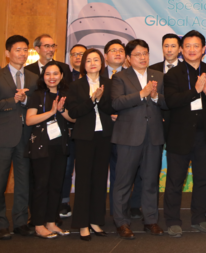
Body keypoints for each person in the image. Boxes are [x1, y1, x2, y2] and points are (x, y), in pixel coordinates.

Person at [163, 30, 206, 237]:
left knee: (202, 179)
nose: (191, 50)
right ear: (181, 49)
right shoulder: (172, 74)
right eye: (187, 46)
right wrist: (195, 90)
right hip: (179, 135)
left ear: (203, 49)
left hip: (203, 135)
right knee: (175, 180)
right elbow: (171, 101)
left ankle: (199, 218)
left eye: (196, 46)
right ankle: (172, 220)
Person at [0, 35, 38, 239]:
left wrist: (26, 100)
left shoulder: (33, 78)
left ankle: (21, 222)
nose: (22, 54)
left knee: (23, 183)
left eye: (25, 50)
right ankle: (1, 223)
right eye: (18, 50)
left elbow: (37, 104)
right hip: (2, 137)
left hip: (25, 137)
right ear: (7, 53)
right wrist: (12, 101)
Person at [110, 39, 168, 239]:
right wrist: (141, 94)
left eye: (145, 53)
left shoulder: (158, 76)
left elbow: (167, 102)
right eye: (137, 54)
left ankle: (150, 220)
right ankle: (121, 222)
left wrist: (154, 97)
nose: (142, 57)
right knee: (123, 182)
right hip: (128, 137)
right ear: (128, 58)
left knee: (151, 181)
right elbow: (116, 102)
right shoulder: (120, 77)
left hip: (153, 136)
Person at [67, 48, 114, 241]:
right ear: (83, 64)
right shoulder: (75, 86)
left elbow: (112, 107)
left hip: (104, 136)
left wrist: (100, 99)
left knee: (100, 180)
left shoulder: (110, 84)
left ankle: (96, 220)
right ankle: (82, 224)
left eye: (96, 60)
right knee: (84, 180)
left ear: (102, 63)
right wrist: (91, 99)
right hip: (84, 137)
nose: (93, 63)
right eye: (88, 60)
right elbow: (74, 111)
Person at [26, 61, 75, 238]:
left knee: (56, 185)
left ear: (61, 76)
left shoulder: (66, 94)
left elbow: (73, 119)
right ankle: (38, 224)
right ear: (43, 76)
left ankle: (51, 222)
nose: (52, 77)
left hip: (60, 145)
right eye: (48, 74)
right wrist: (51, 112)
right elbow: (29, 120)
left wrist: (61, 111)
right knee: (41, 186)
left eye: (55, 74)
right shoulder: (37, 95)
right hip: (41, 146)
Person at [103, 39, 142, 219]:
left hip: (127, 132)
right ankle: (100, 212)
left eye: (121, 50)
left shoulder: (132, 76)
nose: (117, 53)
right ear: (105, 56)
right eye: (113, 50)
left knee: (124, 174)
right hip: (102, 130)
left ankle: (122, 211)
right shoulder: (96, 74)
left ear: (126, 57)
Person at [60, 44, 86, 219]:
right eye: (74, 54)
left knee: (84, 169)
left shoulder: (94, 78)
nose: (77, 57)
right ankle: (63, 202)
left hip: (88, 131)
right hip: (67, 130)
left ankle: (83, 205)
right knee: (66, 168)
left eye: (81, 54)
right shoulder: (63, 78)